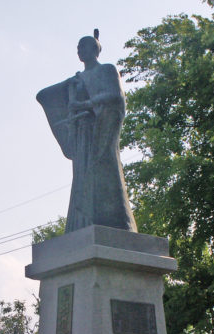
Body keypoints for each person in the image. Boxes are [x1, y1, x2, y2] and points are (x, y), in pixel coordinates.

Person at [37, 30, 138, 233]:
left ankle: (115, 222)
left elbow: (115, 97)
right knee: (82, 179)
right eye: (77, 48)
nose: (79, 51)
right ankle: (81, 224)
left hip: (99, 130)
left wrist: (87, 104)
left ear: (95, 49)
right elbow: (47, 96)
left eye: (83, 46)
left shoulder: (107, 70)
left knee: (105, 173)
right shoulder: (76, 80)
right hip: (82, 134)